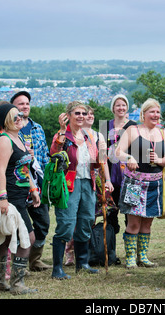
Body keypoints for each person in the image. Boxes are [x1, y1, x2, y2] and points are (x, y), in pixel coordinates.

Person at [49, 101, 112, 279]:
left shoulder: (89, 137)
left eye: (84, 114)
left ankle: (82, 263)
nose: (81, 117)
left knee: (86, 221)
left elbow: (98, 161)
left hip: (88, 183)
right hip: (69, 185)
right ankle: (57, 269)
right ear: (68, 115)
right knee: (66, 224)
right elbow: (54, 152)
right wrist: (61, 130)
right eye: (77, 113)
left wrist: (104, 171)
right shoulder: (63, 135)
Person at [0, 103, 40, 294]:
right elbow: (0, 171)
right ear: (5, 121)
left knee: (6, 238)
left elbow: (24, 168)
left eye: (20, 115)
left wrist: (33, 188)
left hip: (21, 196)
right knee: (28, 238)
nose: (19, 118)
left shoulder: (18, 138)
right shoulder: (3, 140)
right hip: (9, 197)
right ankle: (17, 284)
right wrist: (2, 198)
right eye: (14, 116)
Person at [115, 98, 165, 269]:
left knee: (147, 222)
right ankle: (130, 257)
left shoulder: (162, 133)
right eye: (152, 112)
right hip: (134, 183)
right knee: (134, 222)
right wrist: (129, 158)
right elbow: (118, 152)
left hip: (155, 184)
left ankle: (143, 256)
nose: (156, 115)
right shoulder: (133, 130)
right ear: (143, 114)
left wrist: (160, 160)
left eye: (158, 112)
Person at [10, 91, 51, 272]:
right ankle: (20, 262)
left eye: (27, 103)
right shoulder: (9, 130)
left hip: (38, 183)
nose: (25, 106)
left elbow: (45, 155)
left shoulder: (37, 128)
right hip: (18, 184)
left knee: (43, 223)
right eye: (20, 104)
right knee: (20, 228)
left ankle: (35, 259)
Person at [102, 94, 137, 235]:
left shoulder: (134, 126)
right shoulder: (106, 126)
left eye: (123, 105)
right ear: (113, 108)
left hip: (131, 177)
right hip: (111, 177)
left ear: (127, 108)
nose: (121, 108)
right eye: (118, 105)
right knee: (110, 216)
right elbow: (102, 154)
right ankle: (110, 253)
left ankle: (131, 253)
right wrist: (106, 179)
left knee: (132, 216)